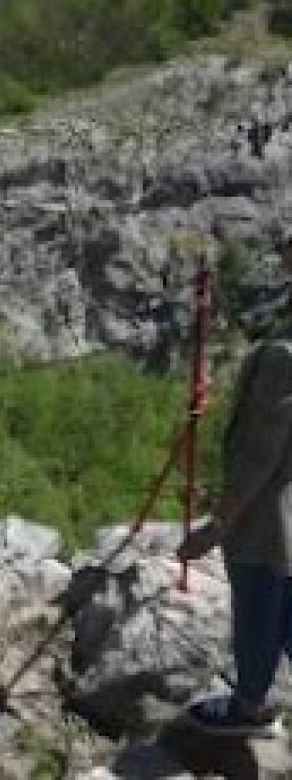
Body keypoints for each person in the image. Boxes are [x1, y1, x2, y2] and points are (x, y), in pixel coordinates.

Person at [178, 234, 292, 736]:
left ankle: (248, 708)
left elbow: (260, 454)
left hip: (270, 519)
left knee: (258, 609)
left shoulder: (284, 355)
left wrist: (217, 525)